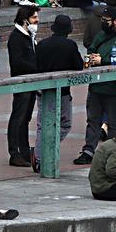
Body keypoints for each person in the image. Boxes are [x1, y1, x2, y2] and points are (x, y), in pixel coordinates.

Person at [75, 7, 116, 165]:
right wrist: (92, 57)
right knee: (92, 120)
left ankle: (111, 153)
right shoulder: (101, 34)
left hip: (113, 87)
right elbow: (91, 49)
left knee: (113, 123)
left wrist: (103, 60)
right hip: (96, 86)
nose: (103, 23)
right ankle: (88, 151)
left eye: (106, 21)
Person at [35, 14, 84, 146]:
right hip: (62, 91)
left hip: (42, 89)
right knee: (65, 123)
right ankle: (48, 147)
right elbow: (78, 66)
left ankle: (39, 152)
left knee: (42, 124)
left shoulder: (42, 44)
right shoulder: (70, 45)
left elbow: (36, 64)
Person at [5, 5, 39, 168]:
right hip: (21, 82)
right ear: (25, 20)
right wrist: (37, 67)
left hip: (30, 82)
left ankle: (24, 150)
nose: (37, 20)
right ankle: (14, 152)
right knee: (18, 117)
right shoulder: (16, 38)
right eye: (34, 17)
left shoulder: (29, 36)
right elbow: (17, 62)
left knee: (25, 118)